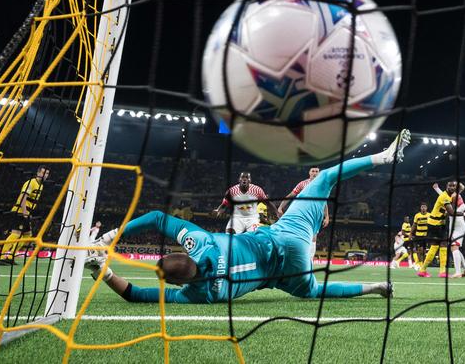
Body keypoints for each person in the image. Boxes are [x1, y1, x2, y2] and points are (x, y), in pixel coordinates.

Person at [85, 130, 412, 304]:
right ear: (183, 250)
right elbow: (157, 217)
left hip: (288, 270)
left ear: (175, 282)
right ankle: (384, 157)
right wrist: (110, 236)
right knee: (324, 179)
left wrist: (104, 271)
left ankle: (374, 287)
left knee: (313, 291)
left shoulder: (200, 295)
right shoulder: (202, 241)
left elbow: (137, 295)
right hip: (288, 235)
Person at [0, 165, 50, 265]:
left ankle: (11, 256)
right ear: (38, 173)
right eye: (43, 173)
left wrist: (29, 214)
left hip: (27, 213)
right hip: (19, 211)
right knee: (16, 233)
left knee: (28, 235)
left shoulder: (41, 186)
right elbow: (23, 197)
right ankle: (0, 257)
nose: (45, 175)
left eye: (47, 173)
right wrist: (24, 212)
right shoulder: (31, 183)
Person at [278, 167, 328, 258]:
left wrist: (327, 216)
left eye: (317, 171)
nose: (315, 173)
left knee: (313, 238)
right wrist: (281, 207)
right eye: (313, 171)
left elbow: (324, 202)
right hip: (302, 213)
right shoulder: (302, 184)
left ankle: (309, 261)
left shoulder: (322, 185)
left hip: (316, 215)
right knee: (297, 235)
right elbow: (291, 195)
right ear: (309, 173)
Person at [417, 181, 457, 278]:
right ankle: (441, 272)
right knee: (439, 245)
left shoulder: (447, 196)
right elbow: (451, 212)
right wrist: (464, 214)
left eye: (453, 186)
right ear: (446, 187)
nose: (452, 187)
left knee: (439, 246)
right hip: (435, 224)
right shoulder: (445, 196)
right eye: (450, 186)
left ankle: (424, 270)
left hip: (439, 224)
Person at [434, 183, 465, 278]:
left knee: (454, 247)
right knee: (455, 248)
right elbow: (443, 196)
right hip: (455, 225)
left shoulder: (454, 196)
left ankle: (458, 272)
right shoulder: (452, 196)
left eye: (453, 186)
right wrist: (437, 189)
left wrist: (437, 189)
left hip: (458, 225)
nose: (451, 188)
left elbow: (444, 198)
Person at [411, 204, 429, 271]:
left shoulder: (429, 215)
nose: (423, 208)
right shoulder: (417, 215)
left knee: (424, 252)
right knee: (420, 250)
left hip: (426, 236)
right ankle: (420, 265)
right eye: (422, 207)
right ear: (420, 208)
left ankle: (419, 264)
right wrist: (411, 233)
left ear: (427, 208)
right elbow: (414, 225)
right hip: (418, 235)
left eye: (425, 207)